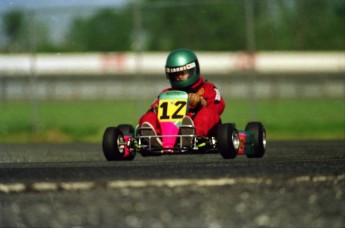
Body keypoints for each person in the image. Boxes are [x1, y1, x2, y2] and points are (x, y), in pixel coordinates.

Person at [139, 48, 225, 146]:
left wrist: (201, 102)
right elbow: (152, 110)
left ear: (193, 70)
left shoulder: (208, 88)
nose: (178, 77)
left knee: (208, 113)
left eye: (182, 73)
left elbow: (218, 107)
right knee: (148, 117)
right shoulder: (167, 93)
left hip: (204, 131)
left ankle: (191, 134)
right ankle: (153, 139)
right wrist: (156, 109)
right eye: (174, 74)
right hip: (169, 130)